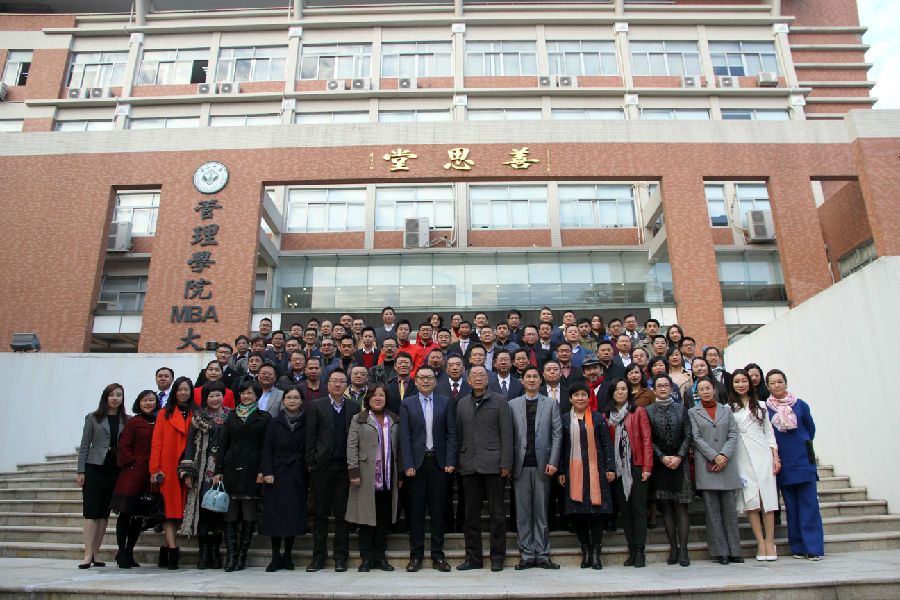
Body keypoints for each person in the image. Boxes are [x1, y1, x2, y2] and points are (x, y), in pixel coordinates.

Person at [399, 366, 457, 572]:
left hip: (439, 464)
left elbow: (451, 434)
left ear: (435, 380)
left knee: (438, 512)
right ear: (415, 381)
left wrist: (450, 460)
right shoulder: (407, 404)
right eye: (421, 378)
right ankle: (416, 556)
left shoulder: (445, 402)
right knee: (415, 513)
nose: (425, 381)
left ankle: (438, 555)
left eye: (429, 378)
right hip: (416, 465)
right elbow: (404, 437)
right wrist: (407, 464)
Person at [455, 365, 513, 572]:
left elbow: (507, 433)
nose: (478, 378)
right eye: (474, 376)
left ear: (488, 379)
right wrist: (459, 461)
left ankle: (498, 557)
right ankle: (473, 558)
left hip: (494, 465)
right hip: (469, 465)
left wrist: (506, 463)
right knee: (471, 516)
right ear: (468, 380)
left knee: (497, 515)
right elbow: (459, 436)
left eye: (482, 375)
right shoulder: (462, 404)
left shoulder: (499, 401)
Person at [305, 369, 361, 572]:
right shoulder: (316, 406)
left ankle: (340, 557)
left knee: (342, 514)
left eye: (341, 381)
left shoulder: (354, 407)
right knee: (320, 514)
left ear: (346, 385)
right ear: (327, 384)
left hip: (344, 468)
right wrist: (311, 462)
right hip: (322, 467)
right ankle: (318, 557)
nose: (337, 384)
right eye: (334, 381)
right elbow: (310, 437)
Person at [765, 369, 824, 560]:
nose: (777, 386)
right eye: (772, 383)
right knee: (791, 506)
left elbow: (810, 428)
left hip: (802, 460)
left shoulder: (800, 405)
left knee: (809, 505)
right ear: (768, 387)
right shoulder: (766, 409)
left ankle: (813, 547)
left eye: (780, 382)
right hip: (783, 461)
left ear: (786, 383)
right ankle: (798, 546)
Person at [214, 380, 272, 572]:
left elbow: (266, 446)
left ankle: (242, 555)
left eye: (250, 393)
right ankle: (231, 553)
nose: (246, 397)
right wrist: (218, 470)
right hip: (231, 468)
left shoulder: (264, 418)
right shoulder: (231, 417)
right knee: (230, 512)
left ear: (257, 396)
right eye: (243, 393)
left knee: (248, 512)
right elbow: (223, 444)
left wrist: (263, 470)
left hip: (252, 469)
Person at [508, 366, 562, 570]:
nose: (531, 380)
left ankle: (543, 553)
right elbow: (509, 435)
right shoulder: (512, 405)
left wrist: (554, 460)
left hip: (543, 465)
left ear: (541, 381)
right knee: (522, 514)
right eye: (528, 377)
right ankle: (527, 554)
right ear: (521, 381)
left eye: (535, 377)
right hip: (520, 466)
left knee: (541, 512)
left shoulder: (551, 404)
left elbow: (557, 434)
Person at [558, 382, 615, 570]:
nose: (580, 398)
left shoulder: (598, 419)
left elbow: (607, 444)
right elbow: (561, 447)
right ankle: (585, 552)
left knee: (597, 513)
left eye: (584, 395)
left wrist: (610, 468)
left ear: (589, 398)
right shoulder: (565, 419)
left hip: (596, 470)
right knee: (578, 512)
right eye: (576, 395)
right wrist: (561, 471)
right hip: (573, 471)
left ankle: (596, 552)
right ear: (570, 399)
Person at [688, 377, 743, 565]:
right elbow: (695, 438)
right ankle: (721, 552)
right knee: (712, 513)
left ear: (714, 390)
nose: (705, 392)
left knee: (730, 511)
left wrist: (724, 455)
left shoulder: (726, 411)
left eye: (708, 388)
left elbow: (734, 434)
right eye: (701, 389)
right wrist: (714, 456)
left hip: (726, 464)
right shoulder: (692, 412)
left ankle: (735, 550)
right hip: (707, 464)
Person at [347, 384, 400, 572]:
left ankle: (380, 556)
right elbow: (352, 447)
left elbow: (398, 449)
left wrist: (398, 474)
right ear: (368, 399)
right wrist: (353, 473)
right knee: (366, 519)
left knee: (383, 518)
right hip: (366, 476)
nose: (378, 398)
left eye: (381, 395)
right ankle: (366, 558)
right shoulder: (359, 419)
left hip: (387, 476)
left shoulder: (393, 420)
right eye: (374, 395)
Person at [177, 381, 230, 569]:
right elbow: (190, 445)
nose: (215, 399)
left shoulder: (230, 416)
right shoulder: (198, 418)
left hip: (223, 470)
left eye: (218, 395)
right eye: (211, 396)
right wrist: (188, 471)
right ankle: (204, 553)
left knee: (218, 512)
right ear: (205, 398)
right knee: (204, 511)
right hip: (202, 470)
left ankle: (215, 553)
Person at [729, 369, 780, 561]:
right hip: (742, 455)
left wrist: (775, 456)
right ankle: (760, 542)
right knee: (752, 499)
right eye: (737, 381)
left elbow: (769, 433)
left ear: (750, 383)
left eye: (744, 381)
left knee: (767, 497)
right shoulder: (729, 408)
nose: (740, 384)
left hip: (762, 454)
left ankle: (770, 541)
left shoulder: (761, 406)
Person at [77, 382, 128, 569]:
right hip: (94, 467)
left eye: (119, 395)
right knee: (91, 511)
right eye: (112, 395)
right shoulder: (93, 418)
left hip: (114, 469)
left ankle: (96, 552)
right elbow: (84, 445)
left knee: (104, 514)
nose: (115, 398)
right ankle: (87, 553)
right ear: (105, 397)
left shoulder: (126, 419)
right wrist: (80, 470)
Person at [604, 378, 652, 568]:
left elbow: (646, 440)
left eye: (624, 389)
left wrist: (647, 467)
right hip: (617, 469)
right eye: (617, 390)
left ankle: (640, 550)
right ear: (612, 393)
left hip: (636, 466)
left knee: (638, 509)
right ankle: (631, 549)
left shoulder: (638, 412)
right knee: (625, 511)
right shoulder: (607, 416)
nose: (621, 392)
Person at [645, 374, 693, 567]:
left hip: (679, 462)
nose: (663, 389)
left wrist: (679, 456)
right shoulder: (647, 411)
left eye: (666, 385)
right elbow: (649, 439)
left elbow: (688, 435)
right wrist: (662, 458)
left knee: (681, 507)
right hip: (661, 463)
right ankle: (673, 547)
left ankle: (684, 549)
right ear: (654, 389)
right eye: (659, 386)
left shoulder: (681, 409)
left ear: (672, 389)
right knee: (666, 507)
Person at [260, 386, 308, 572]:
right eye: (289, 397)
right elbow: (267, 449)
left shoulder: (306, 421)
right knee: (275, 516)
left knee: (292, 515)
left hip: (296, 472)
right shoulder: (274, 422)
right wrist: (267, 472)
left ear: (301, 401)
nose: (292, 401)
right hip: (277, 472)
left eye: (296, 397)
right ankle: (275, 556)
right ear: (284, 400)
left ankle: (288, 555)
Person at [110, 389, 158, 569]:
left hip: (149, 473)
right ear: (139, 403)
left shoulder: (158, 421)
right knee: (125, 513)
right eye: (145, 400)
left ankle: (130, 550)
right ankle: (121, 551)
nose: (148, 403)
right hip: (132, 473)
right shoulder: (133, 423)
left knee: (139, 516)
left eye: (151, 400)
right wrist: (130, 462)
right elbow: (124, 446)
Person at [150, 376, 194, 570]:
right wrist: (155, 469)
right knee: (169, 511)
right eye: (180, 389)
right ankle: (173, 550)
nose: (183, 393)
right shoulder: (164, 414)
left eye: (187, 389)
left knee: (179, 510)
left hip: (188, 466)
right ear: (174, 392)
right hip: (167, 465)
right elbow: (157, 442)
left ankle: (165, 547)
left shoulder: (196, 413)